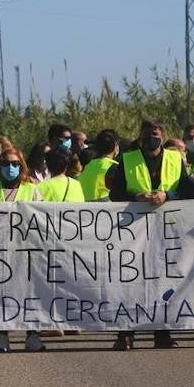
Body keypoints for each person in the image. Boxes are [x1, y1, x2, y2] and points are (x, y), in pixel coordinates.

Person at [105, 119, 184, 350]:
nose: (153, 137)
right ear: (141, 135)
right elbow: (115, 193)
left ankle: (163, 333)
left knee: (164, 281)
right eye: (148, 133)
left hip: (166, 230)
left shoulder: (175, 159)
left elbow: (187, 189)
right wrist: (135, 198)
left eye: (157, 134)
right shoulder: (127, 159)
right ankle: (126, 334)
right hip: (133, 230)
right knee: (130, 282)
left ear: (163, 135)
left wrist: (168, 196)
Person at [0, 148, 44, 352]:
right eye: (6, 164)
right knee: (2, 295)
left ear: (21, 165)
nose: (11, 167)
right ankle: (3, 337)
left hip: (27, 251)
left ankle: (33, 335)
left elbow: (42, 219)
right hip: (0, 252)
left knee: (31, 293)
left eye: (15, 164)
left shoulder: (32, 189)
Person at [78, 129, 119, 202]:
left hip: (85, 208)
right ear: (115, 145)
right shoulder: (116, 167)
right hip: (106, 210)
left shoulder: (87, 166)